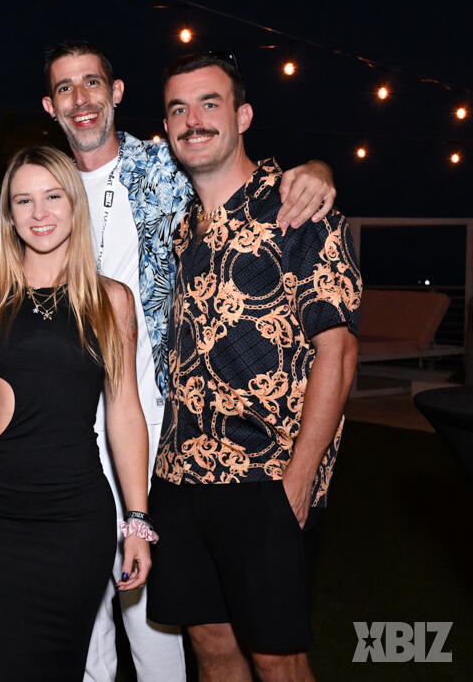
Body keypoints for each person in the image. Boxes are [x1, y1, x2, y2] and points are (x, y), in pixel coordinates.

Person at [39, 40, 339, 682]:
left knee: (255, 650)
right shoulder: (50, 189)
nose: (81, 99)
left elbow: (336, 350)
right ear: (50, 105)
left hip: (213, 451)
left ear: (117, 94)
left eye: (92, 82)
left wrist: (318, 168)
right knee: (189, 637)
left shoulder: (168, 172)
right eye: (65, 87)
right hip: (147, 453)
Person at [148, 52, 361, 681]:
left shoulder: (297, 210)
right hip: (180, 476)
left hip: (266, 475)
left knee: (277, 656)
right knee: (211, 646)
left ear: (242, 116)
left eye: (209, 103)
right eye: (178, 109)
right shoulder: (183, 228)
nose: (193, 120)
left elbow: (339, 352)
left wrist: (299, 479)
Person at [0, 145, 155, 681]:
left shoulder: (112, 301)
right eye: (23, 200)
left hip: (73, 521)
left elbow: (125, 412)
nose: (39, 213)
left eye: (53, 196)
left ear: (74, 204)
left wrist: (138, 520)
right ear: (8, 215)